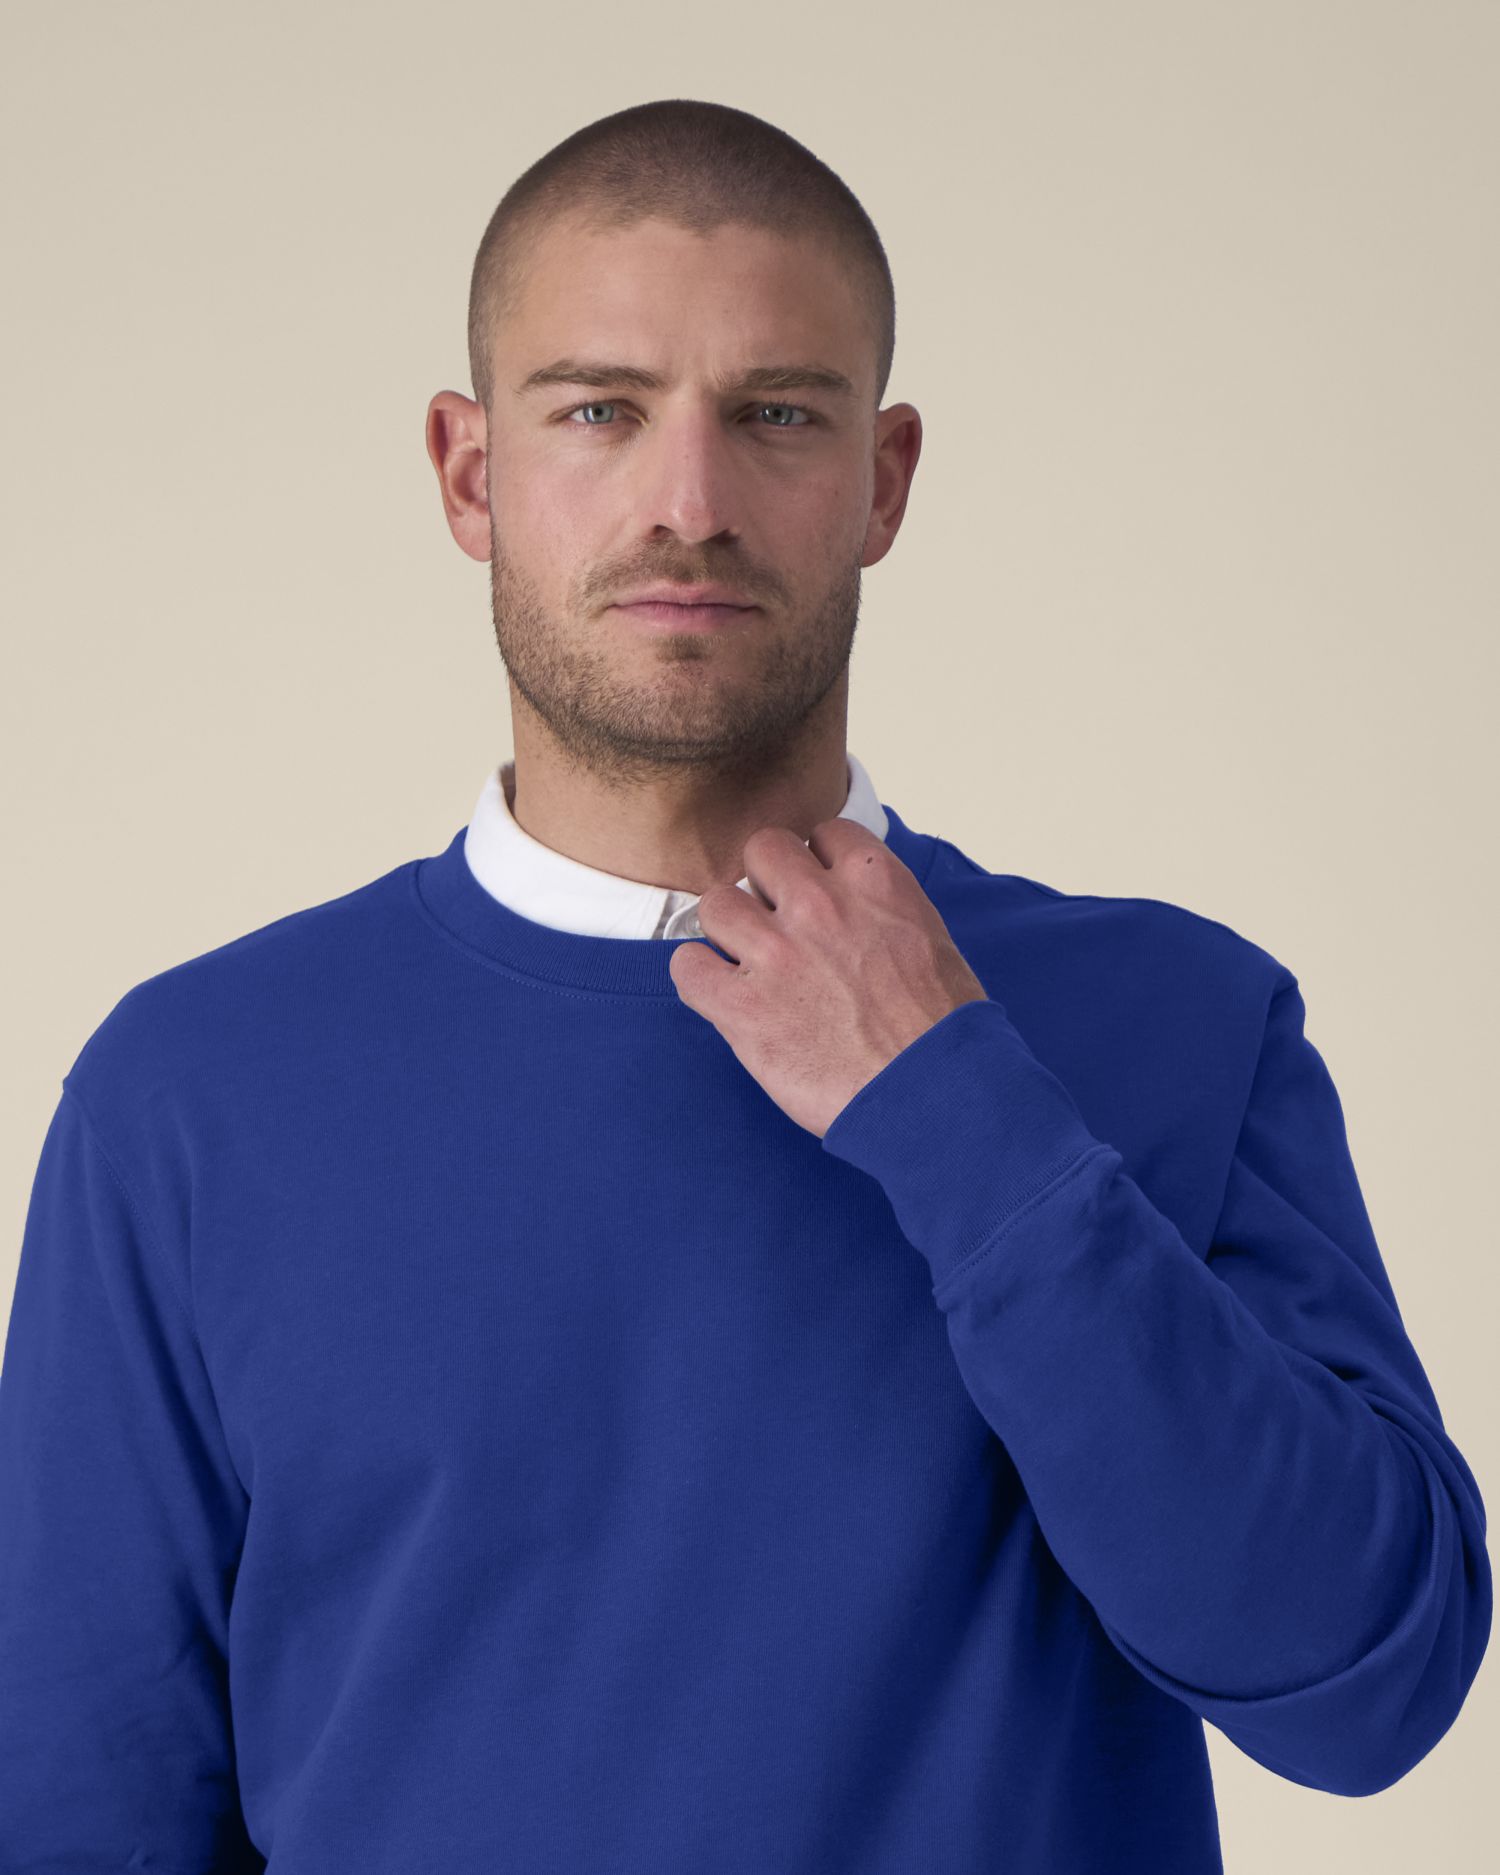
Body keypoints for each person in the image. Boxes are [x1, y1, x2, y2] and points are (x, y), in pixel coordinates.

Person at [0, 96, 1489, 1875]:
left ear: (884, 479)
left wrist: (962, 1112)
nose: (688, 506)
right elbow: (83, 1811)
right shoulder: (190, 1092)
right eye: (600, 411)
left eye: (777, 414)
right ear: (471, 473)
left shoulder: (1178, 1020)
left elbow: (1364, 1693)